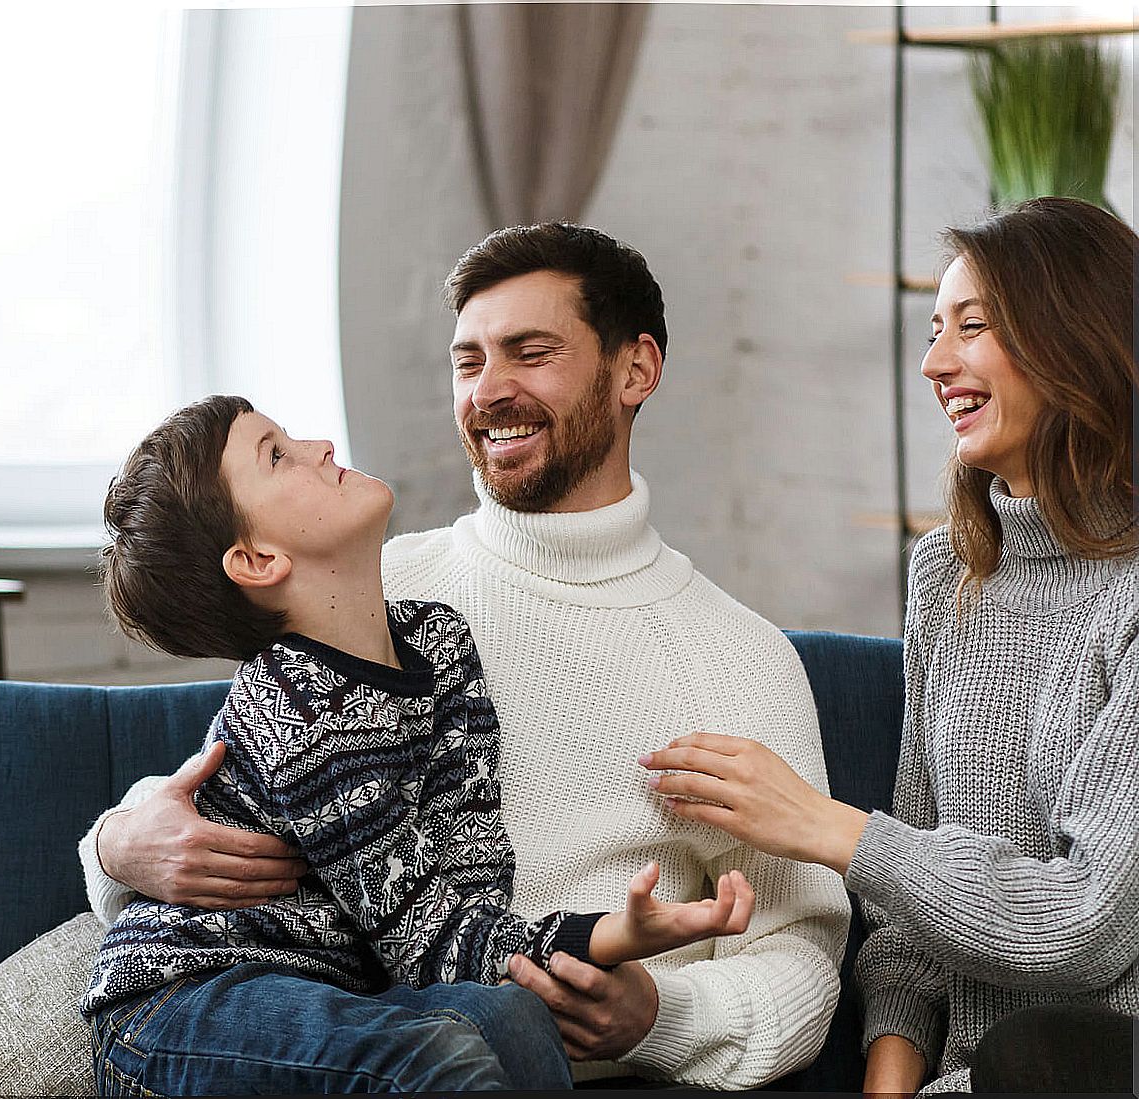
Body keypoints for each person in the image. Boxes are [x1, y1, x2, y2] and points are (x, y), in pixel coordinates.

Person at [82, 223, 852, 1088]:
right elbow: (225, 801)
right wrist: (116, 843)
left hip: (484, 1026)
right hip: (326, 1016)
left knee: (489, 1023)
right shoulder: (366, 592)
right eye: (468, 361)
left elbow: (805, 953)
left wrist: (659, 1018)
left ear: (635, 369)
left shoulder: (733, 658)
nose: (490, 391)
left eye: (530, 352)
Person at [83, 395, 757, 1095]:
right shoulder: (290, 709)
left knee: (511, 1014)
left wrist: (623, 935)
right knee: (432, 1059)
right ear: (256, 559)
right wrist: (615, 932)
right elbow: (422, 940)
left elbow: (463, 912)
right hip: (180, 1009)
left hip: (335, 1000)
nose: (318, 444)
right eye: (276, 454)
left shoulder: (440, 641)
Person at [637, 196, 1139, 1094]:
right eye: (934, 329)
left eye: (972, 327)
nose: (934, 363)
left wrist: (826, 826)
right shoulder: (949, 574)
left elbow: (1086, 925)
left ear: (1076, 339)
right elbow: (907, 930)